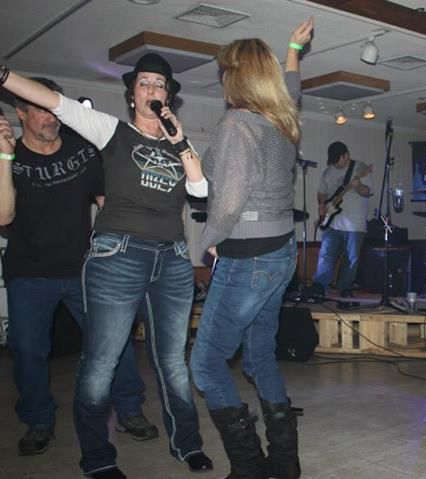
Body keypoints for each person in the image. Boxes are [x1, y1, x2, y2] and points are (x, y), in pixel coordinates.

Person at [1, 53, 212, 478]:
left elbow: (200, 191)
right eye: (144, 83)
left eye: (159, 84)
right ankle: (98, 458)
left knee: (173, 361)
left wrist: (180, 140)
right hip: (119, 256)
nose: (152, 89)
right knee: (101, 363)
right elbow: (54, 102)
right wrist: (4, 75)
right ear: (132, 95)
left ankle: (187, 444)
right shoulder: (112, 131)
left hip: (172, 258)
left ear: (168, 96)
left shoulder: (177, 144)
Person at [0, 79, 159, 457]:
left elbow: (108, 203)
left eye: (53, 109)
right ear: (20, 112)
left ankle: (129, 409)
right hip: (28, 273)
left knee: (113, 341)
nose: (51, 117)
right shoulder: (10, 155)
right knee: (28, 350)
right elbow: (4, 216)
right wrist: (4, 158)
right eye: (41, 109)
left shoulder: (82, 152)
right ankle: (39, 421)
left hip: (83, 269)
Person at [189, 18, 313, 479]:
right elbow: (293, 90)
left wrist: (207, 244)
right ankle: (284, 463)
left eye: (226, 71)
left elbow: (227, 203)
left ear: (237, 76)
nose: (222, 78)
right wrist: (294, 50)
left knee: (206, 364)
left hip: (249, 256)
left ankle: (249, 468)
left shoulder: (238, 123)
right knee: (259, 357)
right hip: (281, 252)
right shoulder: (282, 118)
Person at [311, 141, 372, 298]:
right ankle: (320, 287)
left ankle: (345, 288)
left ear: (346, 155)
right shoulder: (328, 172)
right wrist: (321, 204)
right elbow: (322, 192)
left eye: (338, 160)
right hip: (333, 222)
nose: (335, 165)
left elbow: (367, 192)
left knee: (351, 259)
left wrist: (357, 185)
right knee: (326, 254)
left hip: (355, 224)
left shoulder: (360, 168)